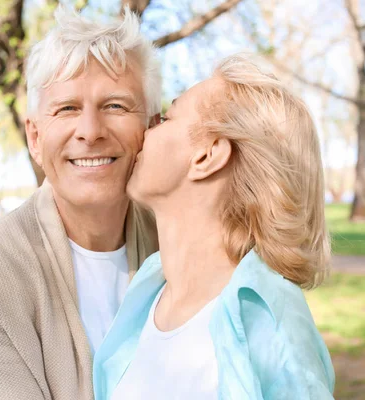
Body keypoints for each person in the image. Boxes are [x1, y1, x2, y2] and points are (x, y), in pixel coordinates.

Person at [0, 8, 160, 400]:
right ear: (35, 138)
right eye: (67, 109)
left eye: (115, 106)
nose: (90, 132)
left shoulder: (180, 245)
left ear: (153, 128)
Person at [93, 56, 335, 400]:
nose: (145, 132)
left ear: (207, 157)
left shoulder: (271, 320)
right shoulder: (145, 297)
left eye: (166, 118)